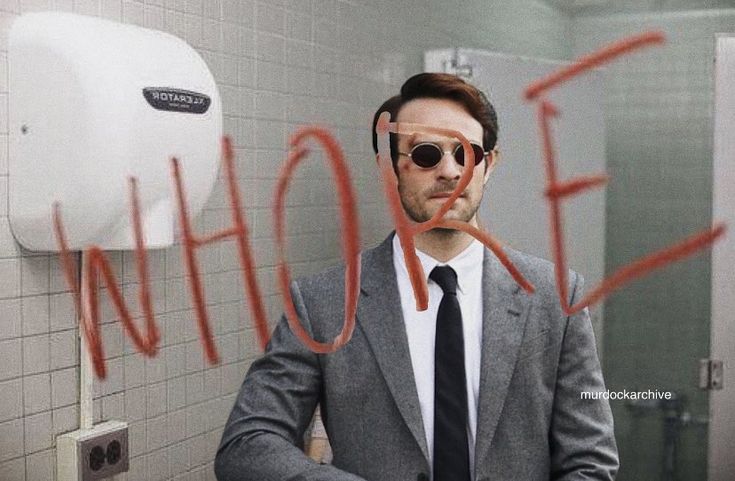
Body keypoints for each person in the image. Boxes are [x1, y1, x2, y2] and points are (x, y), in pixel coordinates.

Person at [214, 72, 619, 481]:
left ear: (488, 165)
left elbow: (590, 460)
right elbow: (247, 444)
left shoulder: (555, 298)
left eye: (466, 154)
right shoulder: (323, 303)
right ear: (390, 169)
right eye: (426, 154)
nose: (450, 171)